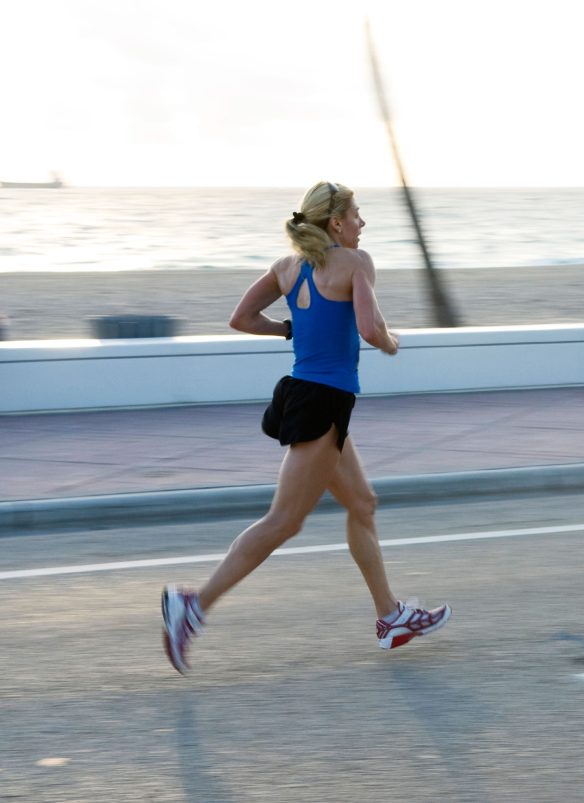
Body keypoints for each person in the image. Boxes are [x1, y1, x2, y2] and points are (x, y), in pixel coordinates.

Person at [161, 181, 450, 674]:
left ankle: (390, 617)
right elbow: (369, 329)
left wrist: (288, 327)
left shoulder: (286, 267)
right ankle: (194, 605)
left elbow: (241, 318)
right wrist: (392, 342)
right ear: (336, 222)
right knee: (284, 521)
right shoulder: (356, 264)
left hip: (305, 394)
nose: (362, 223)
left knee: (362, 503)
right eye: (357, 215)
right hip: (323, 403)